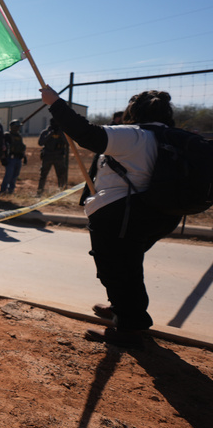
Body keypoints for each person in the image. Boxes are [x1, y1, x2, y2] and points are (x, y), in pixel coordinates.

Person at [39, 86, 181, 347]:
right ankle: (122, 309)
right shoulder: (173, 136)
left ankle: (129, 328)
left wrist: (55, 103)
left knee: (118, 269)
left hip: (123, 214)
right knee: (127, 265)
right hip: (163, 214)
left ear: (132, 111)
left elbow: (86, 134)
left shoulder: (134, 136)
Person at [36, 118, 69, 195]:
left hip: (59, 157)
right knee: (43, 175)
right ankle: (39, 192)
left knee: (61, 175)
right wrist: (49, 135)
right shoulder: (45, 132)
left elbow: (68, 143)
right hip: (47, 157)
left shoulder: (62, 133)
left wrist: (61, 134)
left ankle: (61, 193)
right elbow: (40, 143)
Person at [0, 120, 27, 195]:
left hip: (18, 158)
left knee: (15, 176)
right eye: (16, 126)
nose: (18, 128)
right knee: (8, 176)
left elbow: (21, 147)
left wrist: (24, 157)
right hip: (10, 158)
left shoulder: (19, 136)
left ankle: (11, 191)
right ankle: (3, 191)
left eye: (19, 126)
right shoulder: (7, 135)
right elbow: (3, 147)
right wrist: (3, 158)